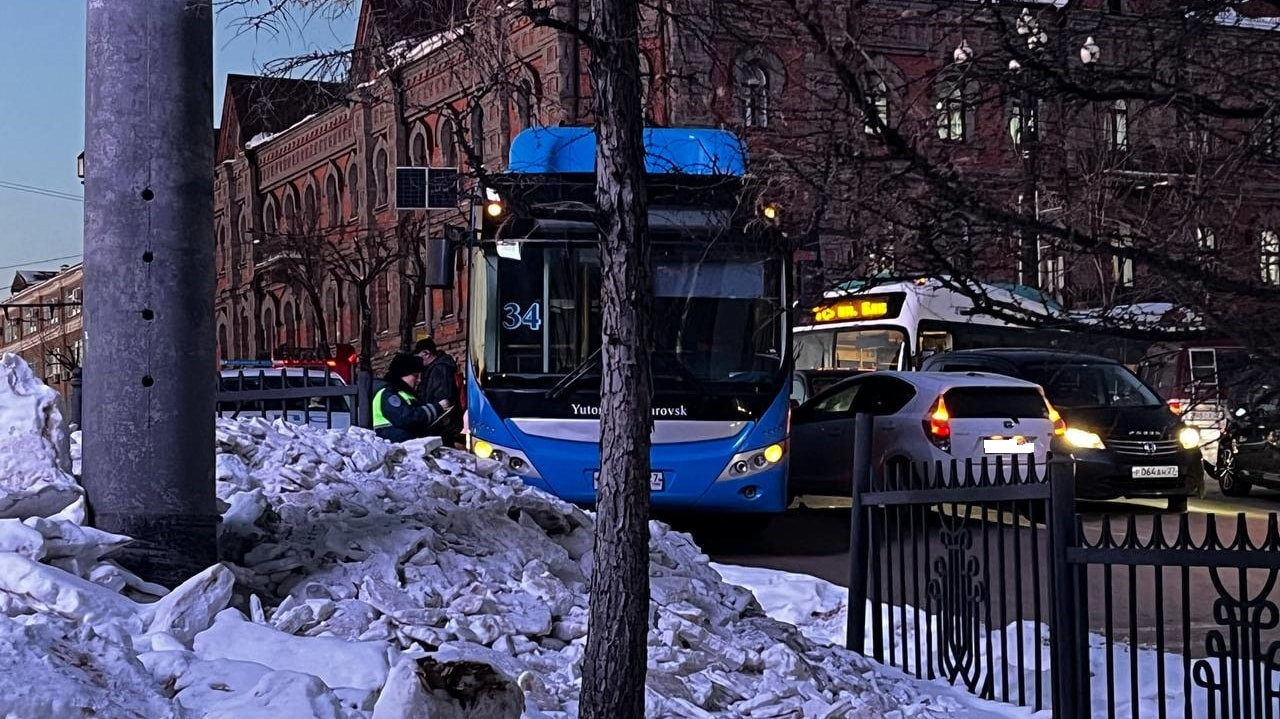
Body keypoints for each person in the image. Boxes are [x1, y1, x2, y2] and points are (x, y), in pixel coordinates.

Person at [373, 353, 452, 443]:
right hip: (393, 447)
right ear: (402, 374)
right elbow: (407, 418)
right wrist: (437, 408)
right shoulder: (388, 394)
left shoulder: (406, 394)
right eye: (415, 376)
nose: (419, 380)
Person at [413, 337, 464, 446]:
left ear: (426, 354)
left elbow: (443, 398)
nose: (417, 362)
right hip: (441, 424)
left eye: (418, 357)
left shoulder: (440, 369)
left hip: (441, 425)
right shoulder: (434, 368)